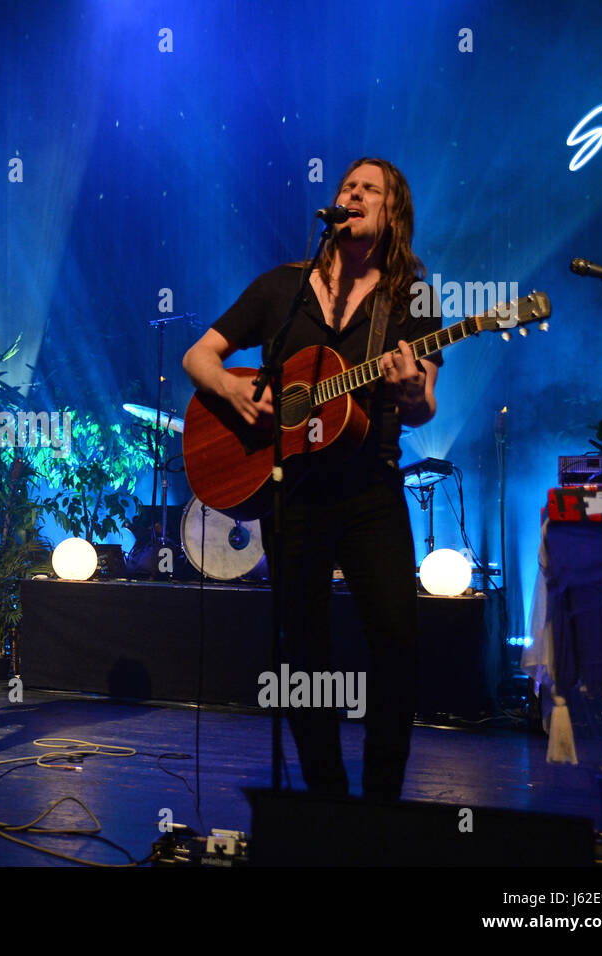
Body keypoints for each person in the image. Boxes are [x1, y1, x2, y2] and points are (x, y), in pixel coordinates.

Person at [182, 158, 441, 801]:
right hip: (292, 490)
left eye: (369, 190)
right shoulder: (284, 288)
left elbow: (426, 403)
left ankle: (380, 803)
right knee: (302, 652)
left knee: (396, 642)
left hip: (369, 487)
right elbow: (200, 354)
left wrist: (410, 390)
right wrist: (235, 395)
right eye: (347, 186)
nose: (352, 194)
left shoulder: (412, 296)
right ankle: (325, 798)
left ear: (391, 213)